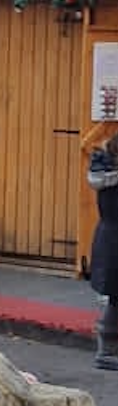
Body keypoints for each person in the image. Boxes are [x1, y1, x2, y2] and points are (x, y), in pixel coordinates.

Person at [89, 131, 118, 371]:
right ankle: (107, 351)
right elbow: (99, 181)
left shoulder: (103, 158)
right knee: (116, 297)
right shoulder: (105, 159)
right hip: (113, 237)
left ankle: (108, 350)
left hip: (110, 234)